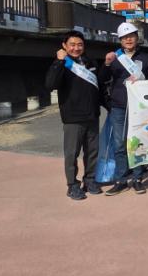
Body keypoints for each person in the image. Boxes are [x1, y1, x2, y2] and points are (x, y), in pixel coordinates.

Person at [45, 30, 103, 200]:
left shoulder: (91, 62)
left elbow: (98, 88)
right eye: (72, 45)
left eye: (80, 45)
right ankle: (72, 185)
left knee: (92, 152)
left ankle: (90, 180)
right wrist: (59, 61)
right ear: (64, 46)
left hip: (92, 116)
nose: (76, 48)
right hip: (72, 118)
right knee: (72, 154)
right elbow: (50, 84)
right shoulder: (62, 64)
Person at [99, 22, 148, 196]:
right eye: (124, 38)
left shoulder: (147, 58)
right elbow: (101, 79)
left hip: (139, 107)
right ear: (120, 40)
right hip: (119, 107)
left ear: (137, 38)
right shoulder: (114, 58)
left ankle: (138, 178)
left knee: (138, 143)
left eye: (131, 36)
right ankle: (121, 180)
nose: (128, 40)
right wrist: (106, 64)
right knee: (119, 145)